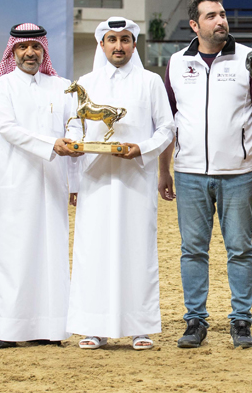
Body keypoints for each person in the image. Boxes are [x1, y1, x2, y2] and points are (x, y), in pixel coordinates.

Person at [159, 0, 252, 349]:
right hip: (189, 173)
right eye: (211, 16)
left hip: (239, 174)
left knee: (240, 249)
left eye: (223, 14)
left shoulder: (250, 59)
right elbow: (167, 122)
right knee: (192, 250)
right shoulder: (176, 63)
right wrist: (164, 171)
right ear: (194, 25)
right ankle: (195, 321)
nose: (221, 21)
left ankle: (241, 320)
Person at [67, 18, 173, 350]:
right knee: (93, 251)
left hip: (136, 181)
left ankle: (140, 327)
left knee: (137, 251)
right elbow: (75, 129)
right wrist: (73, 149)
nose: (118, 46)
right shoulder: (86, 82)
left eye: (125, 39)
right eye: (111, 40)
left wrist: (142, 149)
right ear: (101, 45)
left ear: (134, 44)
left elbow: (167, 128)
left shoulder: (150, 82)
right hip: (95, 181)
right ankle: (92, 327)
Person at [0, 22, 81, 348]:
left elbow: (75, 125)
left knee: (52, 255)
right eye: (22, 47)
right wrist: (53, 144)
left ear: (44, 50)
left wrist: (74, 178)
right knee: (14, 255)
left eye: (36, 47)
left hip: (53, 183)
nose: (29, 53)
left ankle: (49, 328)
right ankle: (8, 330)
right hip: (14, 183)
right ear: (12, 51)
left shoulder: (62, 87)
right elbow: (8, 129)